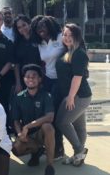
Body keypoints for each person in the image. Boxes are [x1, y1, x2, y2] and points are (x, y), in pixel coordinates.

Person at [55, 24, 92, 166]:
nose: (67, 37)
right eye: (65, 34)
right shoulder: (69, 51)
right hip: (78, 95)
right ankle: (78, 156)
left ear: (77, 36)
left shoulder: (79, 53)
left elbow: (77, 77)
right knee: (79, 126)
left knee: (61, 122)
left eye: (70, 35)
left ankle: (79, 150)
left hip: (79, 96)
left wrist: (70, 97)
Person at [31, 15, 65, 158]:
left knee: (55, 115)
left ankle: (59, 149)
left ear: (50, 26)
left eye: (44, 26)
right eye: (38, 28)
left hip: (61, 80)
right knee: (46, 113)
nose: (41, 30)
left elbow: (75, 47)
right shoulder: (39, 43)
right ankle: (48, 145)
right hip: (47, 81)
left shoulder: (60, 37)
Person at [12, 64, 55, 175]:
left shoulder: (46, 95)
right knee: (16, 149)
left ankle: (50, 166)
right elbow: (16, 120)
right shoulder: (18, 97)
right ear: (24, 79)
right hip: (27, 135)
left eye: (34, 76)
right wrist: (20, 133)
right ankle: (36, 152)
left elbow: (50, 117)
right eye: (28, 76)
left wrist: (27, 126)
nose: (30, 79)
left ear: (40, 79)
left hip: (41, 133)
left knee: (48, 126)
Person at [13, 14, 42, 92]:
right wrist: (18, 83)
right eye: (19, 27)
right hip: (24, 79)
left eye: (24, 25)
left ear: (29, 23)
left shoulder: (39, 39)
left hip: (39, 78)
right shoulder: (17, 43)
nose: (22, 28)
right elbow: (16, 64)